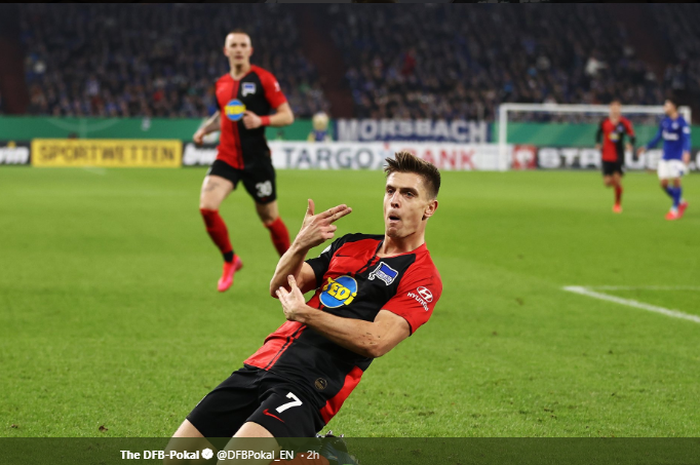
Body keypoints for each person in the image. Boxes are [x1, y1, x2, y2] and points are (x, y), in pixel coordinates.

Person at [166, 151, 442, 461]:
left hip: (310, 383)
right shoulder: (350, 244)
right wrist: (300, 244)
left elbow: (376, 340)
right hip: (260, 364)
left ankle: (322, 458)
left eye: (408, 194)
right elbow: (281, 286)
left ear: (429, 208)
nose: (394, 200)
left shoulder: (423, 277)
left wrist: (305, 313)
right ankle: (320, 455)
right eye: (390, 190)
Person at [193, 30, 294, 292]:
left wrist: (262, 120)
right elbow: (223, 114)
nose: (238, 49)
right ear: (226, 51)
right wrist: (205, 129)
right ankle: (230, 260)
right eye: (233, 45)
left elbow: (287, 115)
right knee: (207, 206)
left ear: (250, 50)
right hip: (226, 158)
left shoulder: (263, 79)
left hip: (257, 162)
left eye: (243, 45)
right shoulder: (221, 84)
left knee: (270, 218)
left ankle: (293, 272)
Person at [637, 98, 691, 220]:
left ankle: (674, 209)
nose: (664, 108)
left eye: (666, 105)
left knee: (676, 180)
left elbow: (687, 139)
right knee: (664, 183)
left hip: (677, 157)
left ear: (673, 106)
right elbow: (657, 138)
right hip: (665, 157)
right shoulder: (664, 122)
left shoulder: (682, 122)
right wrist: (646, 147)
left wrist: (687, 152)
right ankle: (681, 202)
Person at [595, 100, 635, 213]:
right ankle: (619, 189)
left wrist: (630, 143)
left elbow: (632, 135)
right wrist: (597, 143)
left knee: (617, 180)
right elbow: (598, 133)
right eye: (613, 108)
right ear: (610, 109)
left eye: (617, 108)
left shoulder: (624, 123)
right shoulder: (604, 122)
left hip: (618, 156)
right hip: (606, 156)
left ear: (620, 109)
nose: (615, 110)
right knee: (607, 183)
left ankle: (617, 204)